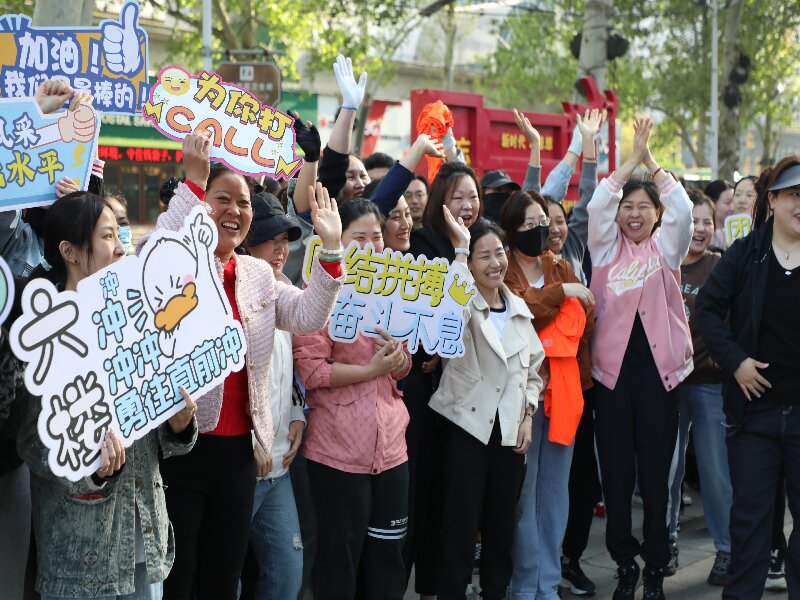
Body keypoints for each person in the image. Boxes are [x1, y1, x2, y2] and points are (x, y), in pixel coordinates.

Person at [144, 131, 344, 600]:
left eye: (244, 203)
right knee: (178, 578)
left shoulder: (257, 273)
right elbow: (155, 252)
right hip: (181, 447)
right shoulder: (179, 260)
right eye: (222, 199)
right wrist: (192, 185)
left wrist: (332, 252)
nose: (234, 210)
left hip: (241, 453)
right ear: (202, 203)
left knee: (222, 577)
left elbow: (308, 315)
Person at [17, 190, 198, 600]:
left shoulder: (141, 316)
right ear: (70, 252)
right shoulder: (45, 333)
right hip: (80, 558)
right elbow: (32, 443)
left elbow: (166, 438)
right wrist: (92, 470)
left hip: (145, 540)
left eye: (120, 234)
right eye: (107, 236)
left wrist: (179, 425)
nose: (120, 247)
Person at [588, 117, 693, 600]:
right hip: (611, 381)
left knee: (655, 478)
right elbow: (597, 204)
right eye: (627, 207)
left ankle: (654, 565)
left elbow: (684, 210)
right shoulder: (604, 249)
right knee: (616, 476)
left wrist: (651, 161)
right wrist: (628, 161)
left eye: (643, 207)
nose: (634, 214)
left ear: (656, 214)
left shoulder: (666, 250)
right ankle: (624, 563)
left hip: (659, 380)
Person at [292, 197, 412, 600]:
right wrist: (370, 370)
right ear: (337, 240)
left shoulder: (395, 291)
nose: (371, 245)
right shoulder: (318, 292)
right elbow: (312, 371)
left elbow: (403, 367)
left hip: (392, 449)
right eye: (359, 237)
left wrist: (397, 361)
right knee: (338, 562)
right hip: (337, 453)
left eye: (376, 236)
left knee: (388, 558)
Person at [696, 155, 800, 599]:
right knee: (751, 524)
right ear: (772, 200)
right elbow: (707, 308)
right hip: (755, 414)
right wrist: (735, 360)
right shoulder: (747, 252)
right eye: (793, 194)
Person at [431, 217, 544, 600]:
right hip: (467, 429)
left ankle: (496, 593)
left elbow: (533, 373)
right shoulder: (461, 303)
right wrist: (461, 251)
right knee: (459, 529)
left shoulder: (519, 310)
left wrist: (528, 416)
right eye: (484, 256)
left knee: (501, 529)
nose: (495, 263)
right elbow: (448, 312)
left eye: (499, 253)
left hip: (509, 435)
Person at [500, 191, 594, 600]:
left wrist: (566, 306)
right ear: (511, 230)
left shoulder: (561, 266)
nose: (540, 230)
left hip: (564, 392)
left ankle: (548, 584)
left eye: (543, 221)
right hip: (520, 397)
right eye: (529, 224)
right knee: (524, 494)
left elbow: (585, 319)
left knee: (555, 492)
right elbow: (521, 309)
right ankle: (524, 585)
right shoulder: (504, 268)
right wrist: (563, 295)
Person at [404, 162, 483, 598]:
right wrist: (430, 344)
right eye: (458, 197)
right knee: (418, 490)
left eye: (473, 197)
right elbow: (423, 314)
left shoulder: (482, 241)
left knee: (450, 496)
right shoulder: (422, 244)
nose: (468, 205)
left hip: (466, 391)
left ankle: (437, 585)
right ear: (440, 202)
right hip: (424, 390)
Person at [664, 190, 731, 586]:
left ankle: (727, 550)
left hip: (708, 384)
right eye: (694, 221)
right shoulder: (663, 263)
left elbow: (736, 315)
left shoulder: (721, 267)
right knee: (667, 470)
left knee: (715, 471)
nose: (701, 229)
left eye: (707, 221)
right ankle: (666, 541)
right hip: (668, 385)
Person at [243, 192, 306, 600]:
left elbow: (291, 365)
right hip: (243, 464)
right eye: (271, 240)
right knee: (224, 574)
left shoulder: (285, 289)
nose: (281, 249)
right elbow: (228, 383)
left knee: (287, 572)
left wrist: (298, 411)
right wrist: (251, 439)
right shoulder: (232, 293)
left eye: (285, 240)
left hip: (279, 464)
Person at [705, 179, 734, 250]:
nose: (732, 207)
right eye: (727, 203)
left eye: (734, 202)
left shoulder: (738, 232)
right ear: (712, 203)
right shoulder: (704, 233)